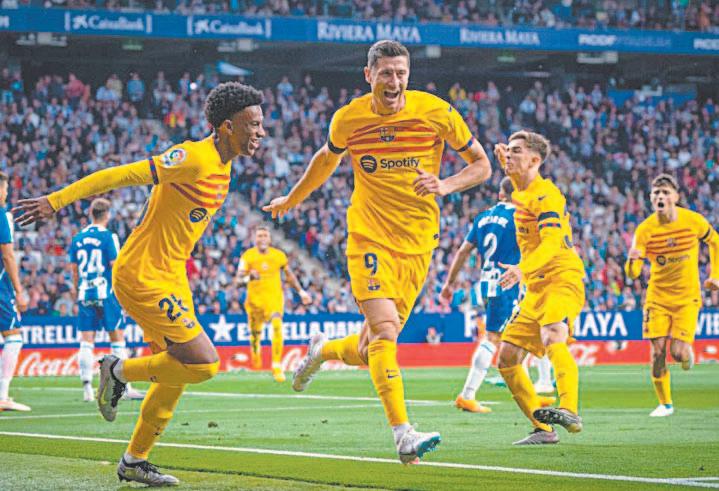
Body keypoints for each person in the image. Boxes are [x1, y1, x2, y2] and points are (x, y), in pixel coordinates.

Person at [13, 82, 265, 485]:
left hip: (171, 275)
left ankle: (134, 460)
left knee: (175, 374)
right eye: (253, 124)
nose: (261, 132)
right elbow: (120, 175)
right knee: (204, 363)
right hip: (143, 274)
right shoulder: (194, 157)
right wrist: (57, 201)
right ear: (226, 126)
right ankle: (118, 371)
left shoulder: (224, 163)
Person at [264, 40, 492, 464]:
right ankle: (403, 434)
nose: (394, 81)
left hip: (418, 243)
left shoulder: (436, 112)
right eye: (386, 73)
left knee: (371, 347)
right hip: (368, 235)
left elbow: (482, 165)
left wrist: (446, 184)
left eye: (401, 73)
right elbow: (326, 159)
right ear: (368, 75)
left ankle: (323, 351)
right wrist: (292, 199)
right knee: (385, 331)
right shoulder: (349, 118)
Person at [493, 131, 585, 445]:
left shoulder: (547, 196)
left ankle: (569, 409)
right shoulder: (522, 190)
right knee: (507, 358)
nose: (509, 154)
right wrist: (505, 162)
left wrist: (522, 268)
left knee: (553, 334)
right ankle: (543, 430)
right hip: (536, 286)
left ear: (535, 160)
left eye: (516, 151)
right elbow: (518, 182)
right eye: (508, 150)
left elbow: (550, 243)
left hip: (561, 276)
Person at [441, 177, 555, 414]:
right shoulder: (520, 217)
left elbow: (463, 251)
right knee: (494, 338)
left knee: (519, 336)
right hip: (507, 283)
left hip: (488, 282)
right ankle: (467, 395)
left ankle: (530, 395)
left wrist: (450, 282)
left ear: (500, 193)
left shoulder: (483, 218)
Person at [624, 174, 718, 417]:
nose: (660, 196)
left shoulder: (693, 221)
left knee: (678, 353)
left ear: (676, 196)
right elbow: (633, 274)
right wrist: (632, 261)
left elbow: (715, 241)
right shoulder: (645, 230)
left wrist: (715, 275)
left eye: (665, 192)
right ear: (651, 198)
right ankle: (665, 404)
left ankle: (686, 353)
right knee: (657, 352)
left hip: (687, 298)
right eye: (656, 193)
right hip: (657, 298)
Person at [69, 198, 143, 402]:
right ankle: (124, 388)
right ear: (107, 215)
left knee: (86, 341)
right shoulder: (109, 237)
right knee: (117, 339)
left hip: (85, 292)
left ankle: (87, 390)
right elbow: (116, 267)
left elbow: (74, 269)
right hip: (106, 292)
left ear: (90, 213)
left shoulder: (77, 238)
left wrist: (77, 290)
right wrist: (124, 294)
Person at [236, 225, 311, 382]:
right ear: (255, 239)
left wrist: (301, 292)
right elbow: (238, 281)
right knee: (255, 334)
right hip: (254, 302)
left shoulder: (279, 256)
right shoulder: (247, 257)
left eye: (265, 236)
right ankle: (255, 356)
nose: (262, 239)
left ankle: (277, 366)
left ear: (270, 239)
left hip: (274, 300)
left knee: (277, 326)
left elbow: (289, 276)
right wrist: (249, 277)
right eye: (259, 236)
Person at [0, 171, 30, 412]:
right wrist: (19, 291)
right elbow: (8, 255)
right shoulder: (1, 214)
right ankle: (2, 395)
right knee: (14, 337)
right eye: (6, 189)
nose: (6, 193)